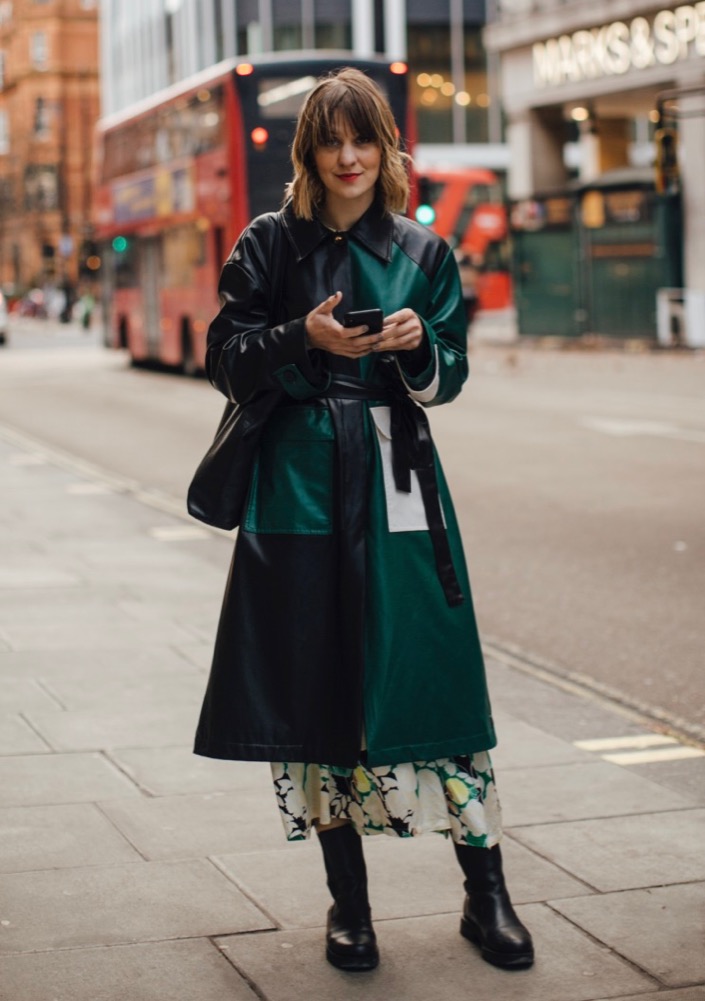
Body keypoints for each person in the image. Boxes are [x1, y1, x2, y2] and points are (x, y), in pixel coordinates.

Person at [194, 67, 533, 974]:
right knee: (319, 690)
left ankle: (485, 891)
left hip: (397, 476)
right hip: (296, 484)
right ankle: (350, 908)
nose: (349, 157)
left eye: (364, 139)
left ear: (386, 148)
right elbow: (223, 357)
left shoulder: (423, 251)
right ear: (308, 152)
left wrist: (420, 351)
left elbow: (451, 371)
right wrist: (305, 338)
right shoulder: (268, 244)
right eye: (332, 141)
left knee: (438, 678)